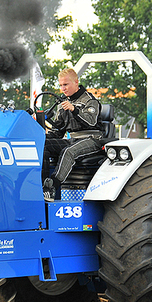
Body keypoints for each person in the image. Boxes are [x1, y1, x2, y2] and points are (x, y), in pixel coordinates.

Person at [41, 68, 104, 202]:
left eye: (66, 84)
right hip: (72, 139)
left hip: (91, 139)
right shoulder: (62, 103)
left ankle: (52, 186)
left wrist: (74, 109)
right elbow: (58, 131)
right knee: (42, 145)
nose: (63, 88)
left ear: (76, 82)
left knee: (68, 151)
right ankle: (42, 185)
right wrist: (41, 136)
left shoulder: (90, 100)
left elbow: (91, 122)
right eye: (61, 85)